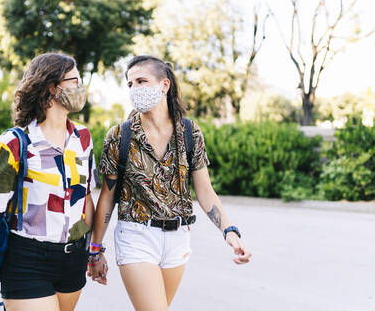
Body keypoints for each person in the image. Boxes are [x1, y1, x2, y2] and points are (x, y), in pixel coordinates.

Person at [88, 55, 252, 310]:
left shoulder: (189, 132)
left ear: (164, 85)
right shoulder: (120, 135)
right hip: (136, 236)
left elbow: (205, 191)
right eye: (130, 84)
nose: (134, 89)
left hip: (178, 238)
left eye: (141, 81)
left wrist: (229, 231)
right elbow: (107, 198)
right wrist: (95, 249)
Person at [0, 53, 98, 311]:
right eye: (75, 80)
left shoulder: (82, 138)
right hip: (27, 260)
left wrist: (91, 249)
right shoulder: (14, 143)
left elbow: (86, 200)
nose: (80, 87)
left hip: (73, 260)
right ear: (52, 87)